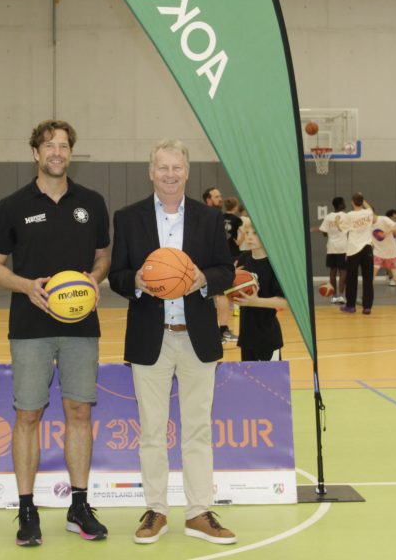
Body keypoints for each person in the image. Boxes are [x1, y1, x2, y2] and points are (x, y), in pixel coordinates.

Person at [0, 119, 111, 546]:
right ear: (36, 153)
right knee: (28, 415)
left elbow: (103, 256)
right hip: (30, 325)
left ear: (70, 152)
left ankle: (79, 506)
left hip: (81, 325)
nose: (57, 152)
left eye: (63, 145)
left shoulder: (91, 202)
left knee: (80, 412)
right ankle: (27, 508)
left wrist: (94, 278)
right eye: (49, 145)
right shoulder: (12, 205)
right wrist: (27, 286)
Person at [109, 140, 236, 546]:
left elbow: (226, 270)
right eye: (162, 167)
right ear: (151, 172)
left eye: (176, 167)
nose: (169, 174)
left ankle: (198, 512)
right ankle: (156, 510)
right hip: (151, 337)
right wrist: (136, 281)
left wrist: (203, 280)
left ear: (187, 172)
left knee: (198, 429)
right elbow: (116, 274)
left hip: (196, 337)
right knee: (151, 430)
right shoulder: (128, 218)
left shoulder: (209, 218)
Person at [234, 220, 287, 361]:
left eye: (255, 233)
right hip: (246, 335)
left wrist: (255, 301)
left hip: (267, 337)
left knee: (270, 376)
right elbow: (231, 289)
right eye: (247, 233)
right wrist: (229, 280)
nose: (249, 237)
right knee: (249, 376)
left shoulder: (275, 263)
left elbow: (283, 302)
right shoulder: (243, 259)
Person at [202, 187, 236, 342]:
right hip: (209, 263)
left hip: (220, 262)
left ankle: (221, 330)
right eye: (216, 197)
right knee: (218, 295)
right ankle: (220, 330)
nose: (220, 199)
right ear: (208, 200)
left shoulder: (219, 217)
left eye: (220, 196)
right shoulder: (205, 217)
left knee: (221, 295)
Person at [338, 194, 374, 314]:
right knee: (368, 279)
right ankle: (367, 307)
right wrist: (363, 200)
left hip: (353, 250)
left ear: (352, 202)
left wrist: (337, 222)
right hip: (367, 249)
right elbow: (369, 208)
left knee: (351, 279)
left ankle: (350, 306)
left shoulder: (349, 215)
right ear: (362, 202)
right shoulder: (369, 213)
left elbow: (342, 229)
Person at [372, 210, 396, 307]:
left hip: (392, 254)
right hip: (378, 254)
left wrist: (388, 231)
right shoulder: (367, 225)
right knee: (371, 275)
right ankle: (365, 296)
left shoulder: (383, 219)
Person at [318, 197, 348, 304]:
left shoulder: (328, 217)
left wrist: (331, 233)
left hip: (331, 247)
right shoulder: (345, 216)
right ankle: (341, 296)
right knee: (343, 271)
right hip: (343, 248)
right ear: (340, 205)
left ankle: (334, 296)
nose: (345, 204)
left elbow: (324, 232)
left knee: (333, 271)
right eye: (343, 202)